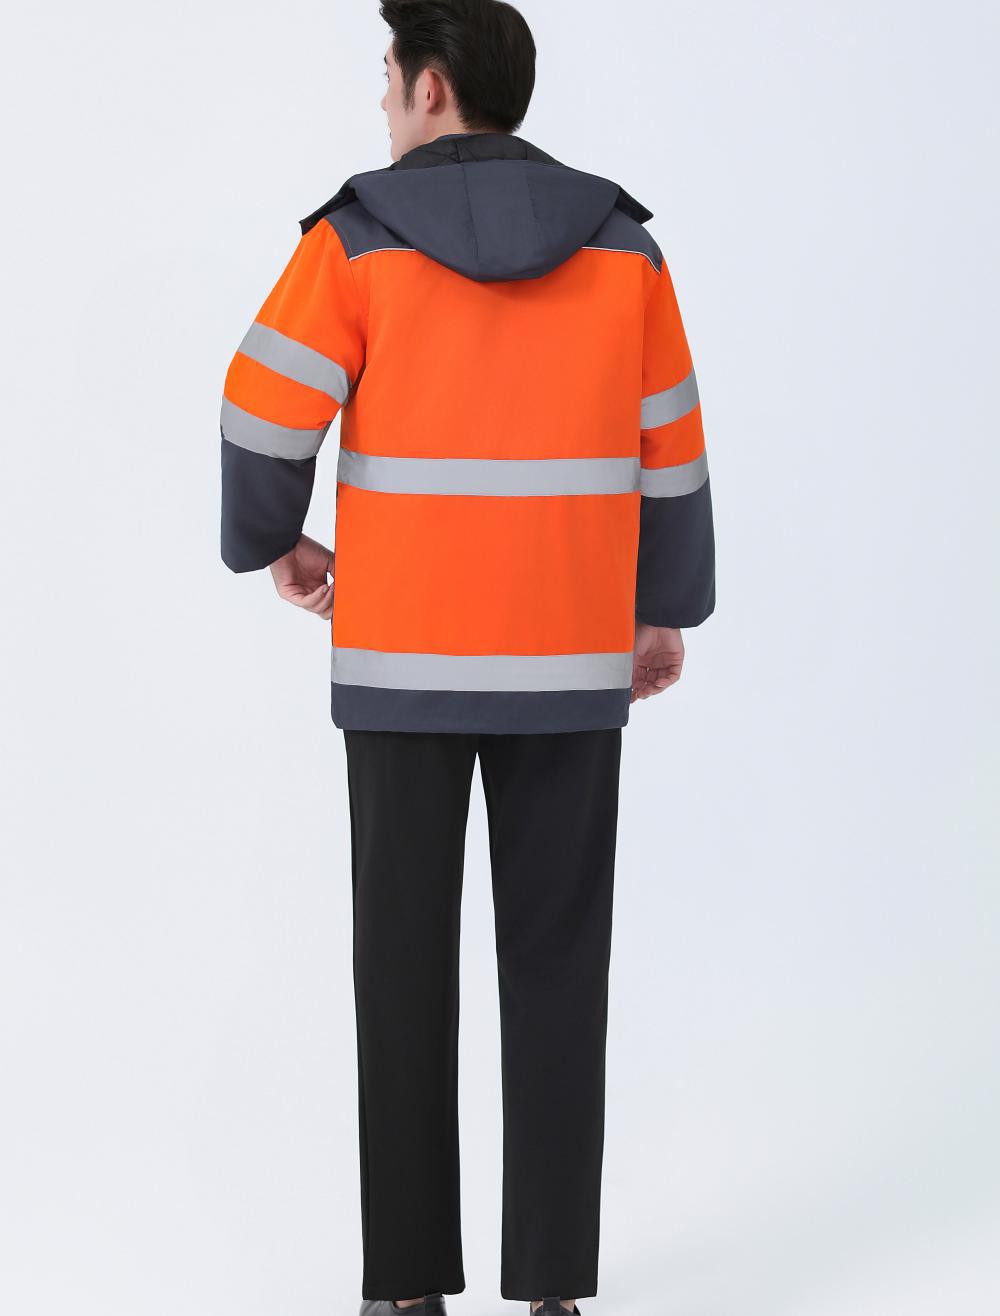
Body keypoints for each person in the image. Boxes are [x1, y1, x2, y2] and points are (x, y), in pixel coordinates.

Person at [218, 2, 716, 1312]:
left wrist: (276, 540)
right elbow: (672, 443)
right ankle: (552, 1286)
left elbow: (260, 409)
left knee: (400, 974)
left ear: (431, 87)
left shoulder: (355, 242)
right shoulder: (625, 249)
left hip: (404, 666)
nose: (382, 100)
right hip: (568, 663)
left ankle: (404, 1289)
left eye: (387, 77)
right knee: (559, 967)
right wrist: (660, 608)